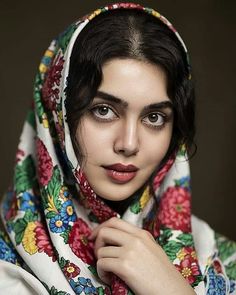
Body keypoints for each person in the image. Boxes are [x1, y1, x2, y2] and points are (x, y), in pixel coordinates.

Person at [0, 2, 235, 295]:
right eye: (103, 111)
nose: (128, 144)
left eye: (154, 117)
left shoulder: (221, 258)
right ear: (57, 114)